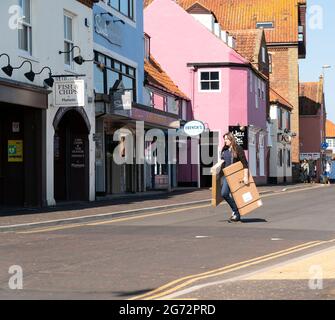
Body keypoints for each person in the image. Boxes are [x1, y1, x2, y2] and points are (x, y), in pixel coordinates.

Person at [220, 132, 249, 222]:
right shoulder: (224, 149)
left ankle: (236, 214)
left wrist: (245, 177)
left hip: (236, 176)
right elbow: (222, 162)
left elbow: (245, 164)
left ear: (231, 139)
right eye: (224, 139)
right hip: (226, 176)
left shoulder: (238, 149)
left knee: (237, 196)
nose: (225, 141)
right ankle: (236, 211)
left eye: (227, 139)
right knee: (224, 194)